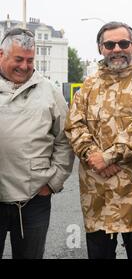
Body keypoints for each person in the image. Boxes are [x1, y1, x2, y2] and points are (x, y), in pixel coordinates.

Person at [64, 22, 132, 259]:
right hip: (97, 191)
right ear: (100, 48)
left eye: (123, 43)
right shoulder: (89, 85)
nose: (116, 49)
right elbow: (74, 125)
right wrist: (95, 158)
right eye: (109, 44)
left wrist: (107, 157)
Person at [0, 28, 74, 259]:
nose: (24, 66)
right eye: (18, 59)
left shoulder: (50, 91)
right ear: (1, 54)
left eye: (30, 60)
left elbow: (65, 140)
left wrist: (52, 183)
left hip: (33, 200)